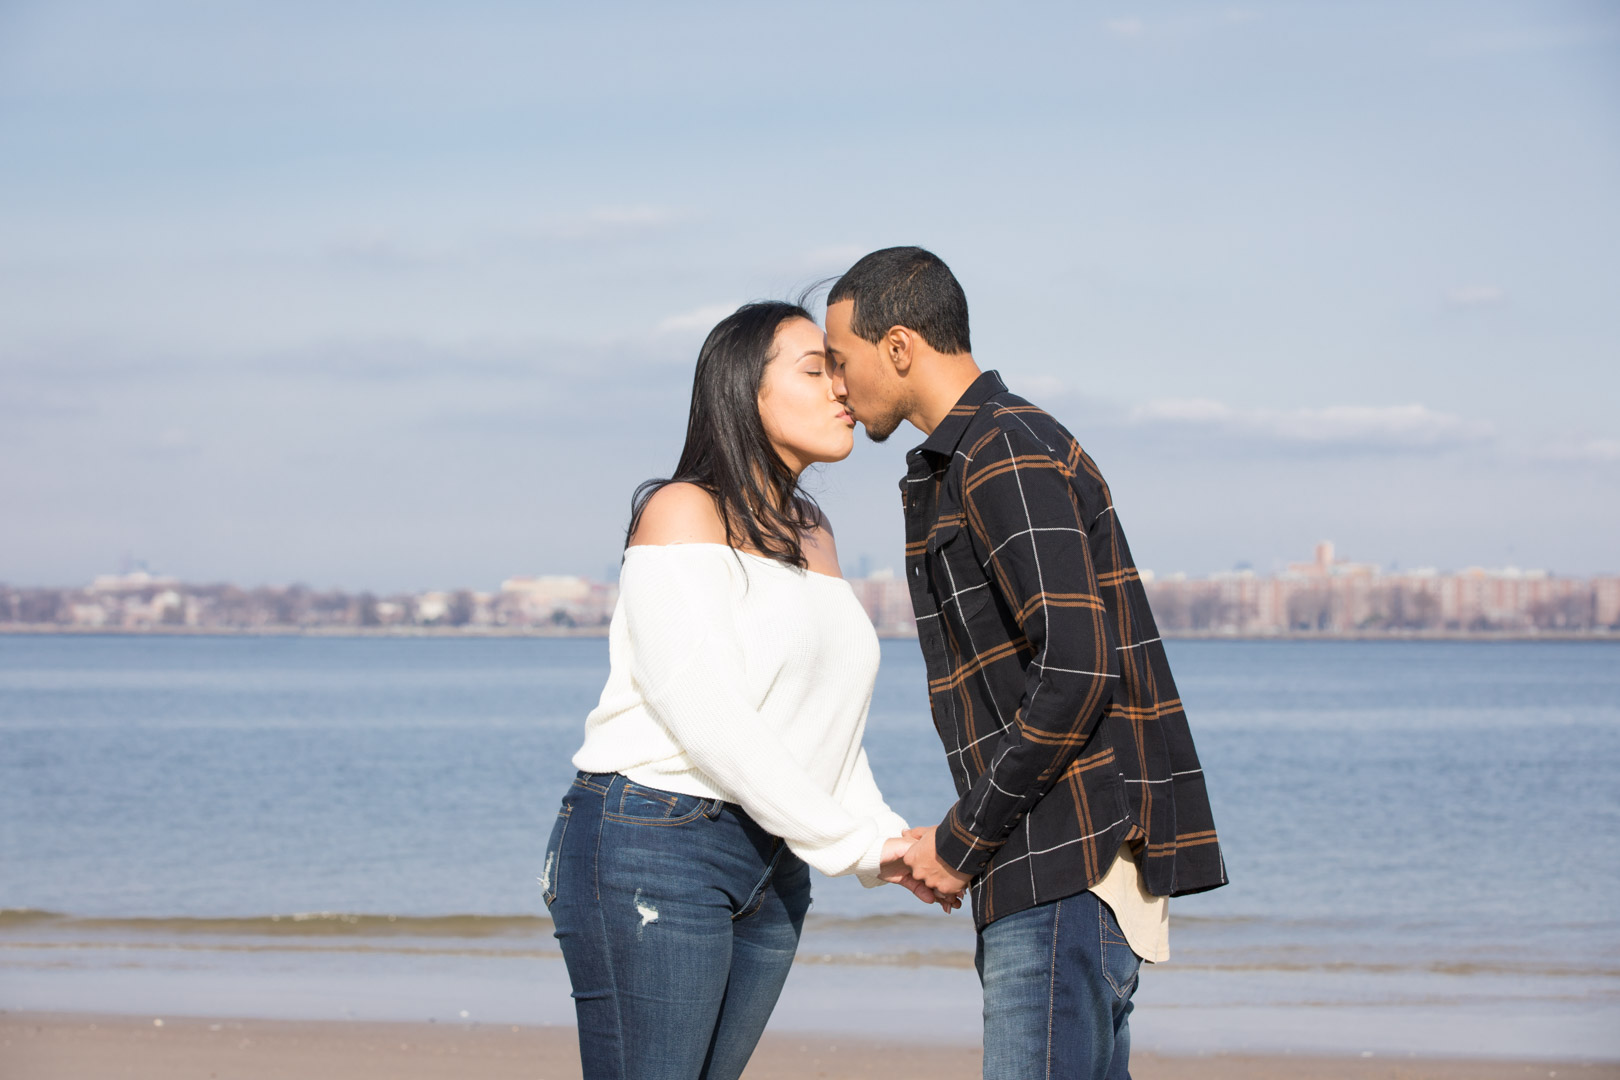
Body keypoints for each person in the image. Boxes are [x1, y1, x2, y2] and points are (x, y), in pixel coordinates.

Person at [824, 247, 1228, 1080]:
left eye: (840, 358)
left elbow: (1077, 670)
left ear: (898, 346)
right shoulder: (981, 454)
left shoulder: (1001, 450)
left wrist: (960, 840)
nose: (836, 383)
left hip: (1062, 878)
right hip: (1054, 875)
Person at [541, 300, 949, 1080]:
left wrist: (887, 843)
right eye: (815, 370)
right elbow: (709, 715)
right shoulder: (681, 510)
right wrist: (855, 845)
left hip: (774, 858)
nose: (842, 389)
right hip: (655, 839)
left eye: (840, 370)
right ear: (743, 391)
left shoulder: (813, 532)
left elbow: (824, 728)